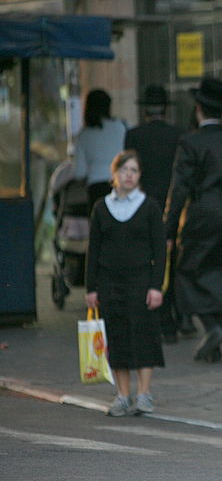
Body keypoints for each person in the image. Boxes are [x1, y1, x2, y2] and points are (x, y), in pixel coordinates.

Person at [164, 77, 222, 363]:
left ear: (198, 108)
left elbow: (179, 188)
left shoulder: (189, 142)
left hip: (201, 214)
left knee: (188, 271)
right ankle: (215, 339)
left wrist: (168, 226)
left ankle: (212, 328)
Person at [84, 150, 166, 416]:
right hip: (109, 283)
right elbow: (93, 249)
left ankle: (144, 394)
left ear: (139, 176)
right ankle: (121, 395)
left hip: (141, 281)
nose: (129, 175)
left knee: (143, 335)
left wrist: (157, 286)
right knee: (116, 337)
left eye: (134, 171)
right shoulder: (101, 207)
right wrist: (91, 288)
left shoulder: (149, 206)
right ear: (114, 174)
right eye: (124, 170)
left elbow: (160, 250)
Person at [124, 84, 194, 344]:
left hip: (144, 206)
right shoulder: (179, 135)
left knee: (152, 263)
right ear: (165, 108)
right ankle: (178, 317)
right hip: (174, 207)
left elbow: (131, 174)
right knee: (174, 263)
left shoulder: (133, 136)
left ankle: (159, 318)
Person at [72, 89, 127, 209]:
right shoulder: (120, 128)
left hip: (95, 190)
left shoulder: (84, 135)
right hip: (119, 185)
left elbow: (79, 173)